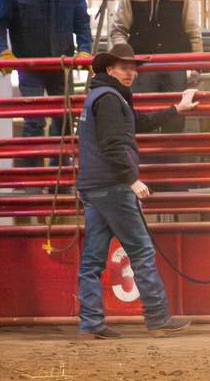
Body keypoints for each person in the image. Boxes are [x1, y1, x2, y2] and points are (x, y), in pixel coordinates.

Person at [75, 43, 200, 338]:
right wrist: (132, 179)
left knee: (93, 257)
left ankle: (91, 322)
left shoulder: (102, 96)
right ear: (110, 69)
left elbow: (136, 122)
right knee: (141, 249)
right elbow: (113, 144)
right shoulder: (110, 100)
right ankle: (157, 317)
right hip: (113, 186)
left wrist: (175, 109)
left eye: (132, 67)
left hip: (93, 187)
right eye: (124, 67)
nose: (130, 72)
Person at [0, 0, 92, 162]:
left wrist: (85, 49)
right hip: (29, 67)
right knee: (34, 122)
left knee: (64, 122)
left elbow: (81, 21)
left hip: (62, 65)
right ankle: (32, 183)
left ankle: (61, 180)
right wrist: (3, 51)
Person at [110, 0, 203, 135]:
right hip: (143, 67)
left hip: (175, 66)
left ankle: (171, 163)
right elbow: (118, 30)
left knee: (176, 120)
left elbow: (193, 31)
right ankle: (145, 163)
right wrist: (126, 63)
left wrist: (196, 65)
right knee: (143, 118)